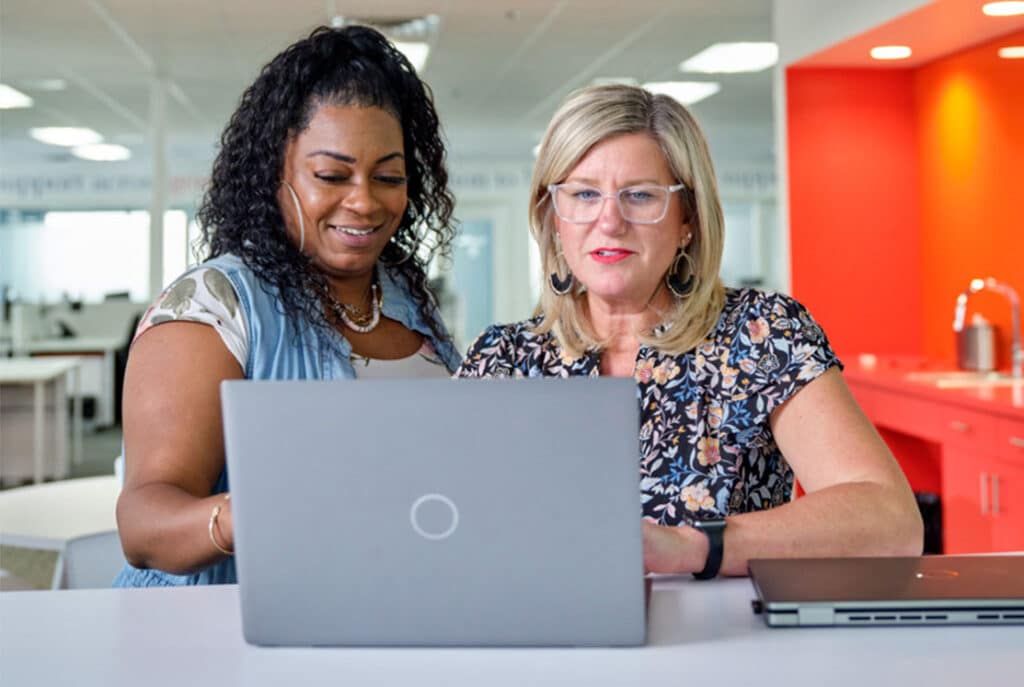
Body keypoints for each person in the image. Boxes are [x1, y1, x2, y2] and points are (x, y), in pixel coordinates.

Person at [456, 84, 923, 578]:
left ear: (688, 221)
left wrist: (690, 547)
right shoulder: (501, 359)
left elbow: (891, 522)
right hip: (547, 640)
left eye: (639, 195)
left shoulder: (761, 335)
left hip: (724, 642)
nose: (609, 221)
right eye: (585, 194)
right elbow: (441, 522)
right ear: (554, 219)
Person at [114, 25, 460, 587]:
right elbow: (143, 525)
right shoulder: (216, 306)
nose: (365, 200)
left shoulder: (411, 304)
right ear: (274, 174)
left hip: (382, 614)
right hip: (225, 640)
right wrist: (248, 515)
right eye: (331, 175)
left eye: (389, 177)